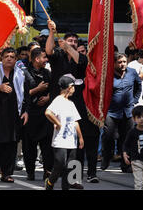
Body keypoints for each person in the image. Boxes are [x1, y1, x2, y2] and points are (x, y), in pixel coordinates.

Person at [46, 20, 95, 187]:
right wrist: (52, 31)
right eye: (70, 41)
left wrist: (69, 48)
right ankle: (51, 173)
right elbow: (48, 50)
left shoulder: (79, 57)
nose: (73, 43)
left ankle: (73, 179)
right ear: (64, 41)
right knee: (55, 140)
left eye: (75, 41)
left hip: (76, 102)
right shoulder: (58, 55)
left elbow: (81, 61)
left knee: (76, 144)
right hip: (58, 101)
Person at [0, 47, 30, 183]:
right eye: (6, 56)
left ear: (16, 60)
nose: (9, 58)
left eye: (12, 56)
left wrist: (26, 111)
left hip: (14, 115)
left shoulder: (21, 75)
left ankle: (7, 173)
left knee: (11, 145)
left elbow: (27, 94)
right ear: (1, 59)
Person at [102, 53, 142, 172]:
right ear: (114, 63)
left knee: (127, 138)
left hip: (128, 112)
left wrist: (134, 100)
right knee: (108, 136)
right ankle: (107, 157)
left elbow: (138, 86)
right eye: (119, 62)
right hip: (111, 112)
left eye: (124, 61)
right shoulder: (108, 75)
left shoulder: (132, 72)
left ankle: (125, 164)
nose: (122, 64)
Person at [44, 74, 84, 190]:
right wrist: (58, 123)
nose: (74, 89)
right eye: (73, 86)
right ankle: (50, 182)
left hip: (72, 140)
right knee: (60, 164)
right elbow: (48, 113)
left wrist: (80, 138)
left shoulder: (71, 103)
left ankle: (65, 187)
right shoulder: (58, 100)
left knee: (69, 167)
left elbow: (76, 121)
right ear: (69, 87)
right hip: (60, 140)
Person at [22, 48, 54, 181]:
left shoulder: (47, 72)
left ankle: (48, 171)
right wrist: (37, 89)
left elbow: (54, 89)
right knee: (29, 147)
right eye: (44, 57)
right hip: (30, 114)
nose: (46, 60)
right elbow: (21, 94)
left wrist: (48, 97)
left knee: (47, 146)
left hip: (45, 115)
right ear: (36, 59)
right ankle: (30, 171)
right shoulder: (24, 73)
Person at [123, 105, 143, 190]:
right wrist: (125, 154)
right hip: (137, 160)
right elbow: (126, 144)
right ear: (134, 119)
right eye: (138, 117)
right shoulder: (132, 132)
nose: (142, 119)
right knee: (139, 183)